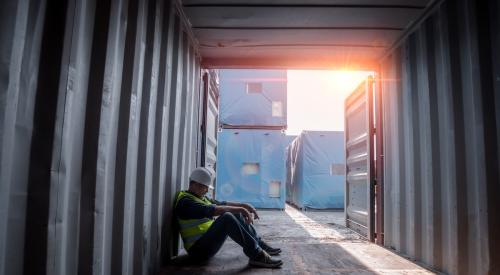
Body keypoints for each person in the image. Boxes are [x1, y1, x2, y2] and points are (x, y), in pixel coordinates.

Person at [174, 167, 283, 268]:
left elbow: (221, 204)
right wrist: (241, 209)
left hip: (206, 242)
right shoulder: (186, 202)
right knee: (227, 217)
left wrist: (243, 205)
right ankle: (257, 255)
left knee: (233, 213)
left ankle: (259, 244)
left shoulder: (198, 197)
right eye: (205, 187)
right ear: (195, 184)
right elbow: (213, 210)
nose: (207, 190)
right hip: (198, 251)